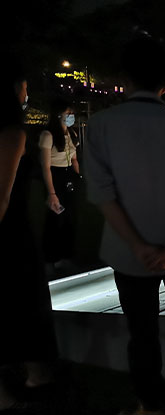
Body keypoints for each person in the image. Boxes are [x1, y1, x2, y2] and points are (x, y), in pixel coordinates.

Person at [85, 36, 165, 415]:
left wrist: (139, 247)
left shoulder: (100, 125)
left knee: (141, 333)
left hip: (128, 255)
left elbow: (102, 194)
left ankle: (150, 404)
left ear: (124, 77)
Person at [0, 67, 58, 412]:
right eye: (24, 87)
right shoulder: (11, 133)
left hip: (14, 230)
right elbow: (2, 196)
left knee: (23, 302)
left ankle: (36, 372)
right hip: (10, 233)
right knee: (23, 301)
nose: (27, 94)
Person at [39, 99, 80, 275]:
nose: (71, 116)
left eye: (72, 113)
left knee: (68, 219)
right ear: (58, 115)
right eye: (67, 113)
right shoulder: (48, 135)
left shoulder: (71, 134)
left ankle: (64, 258)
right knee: (55, 219)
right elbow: (45, 166)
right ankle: (50, 260)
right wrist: (52, 193)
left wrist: (78, 176)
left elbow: (74, 159)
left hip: (69, 176)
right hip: (55, 177)